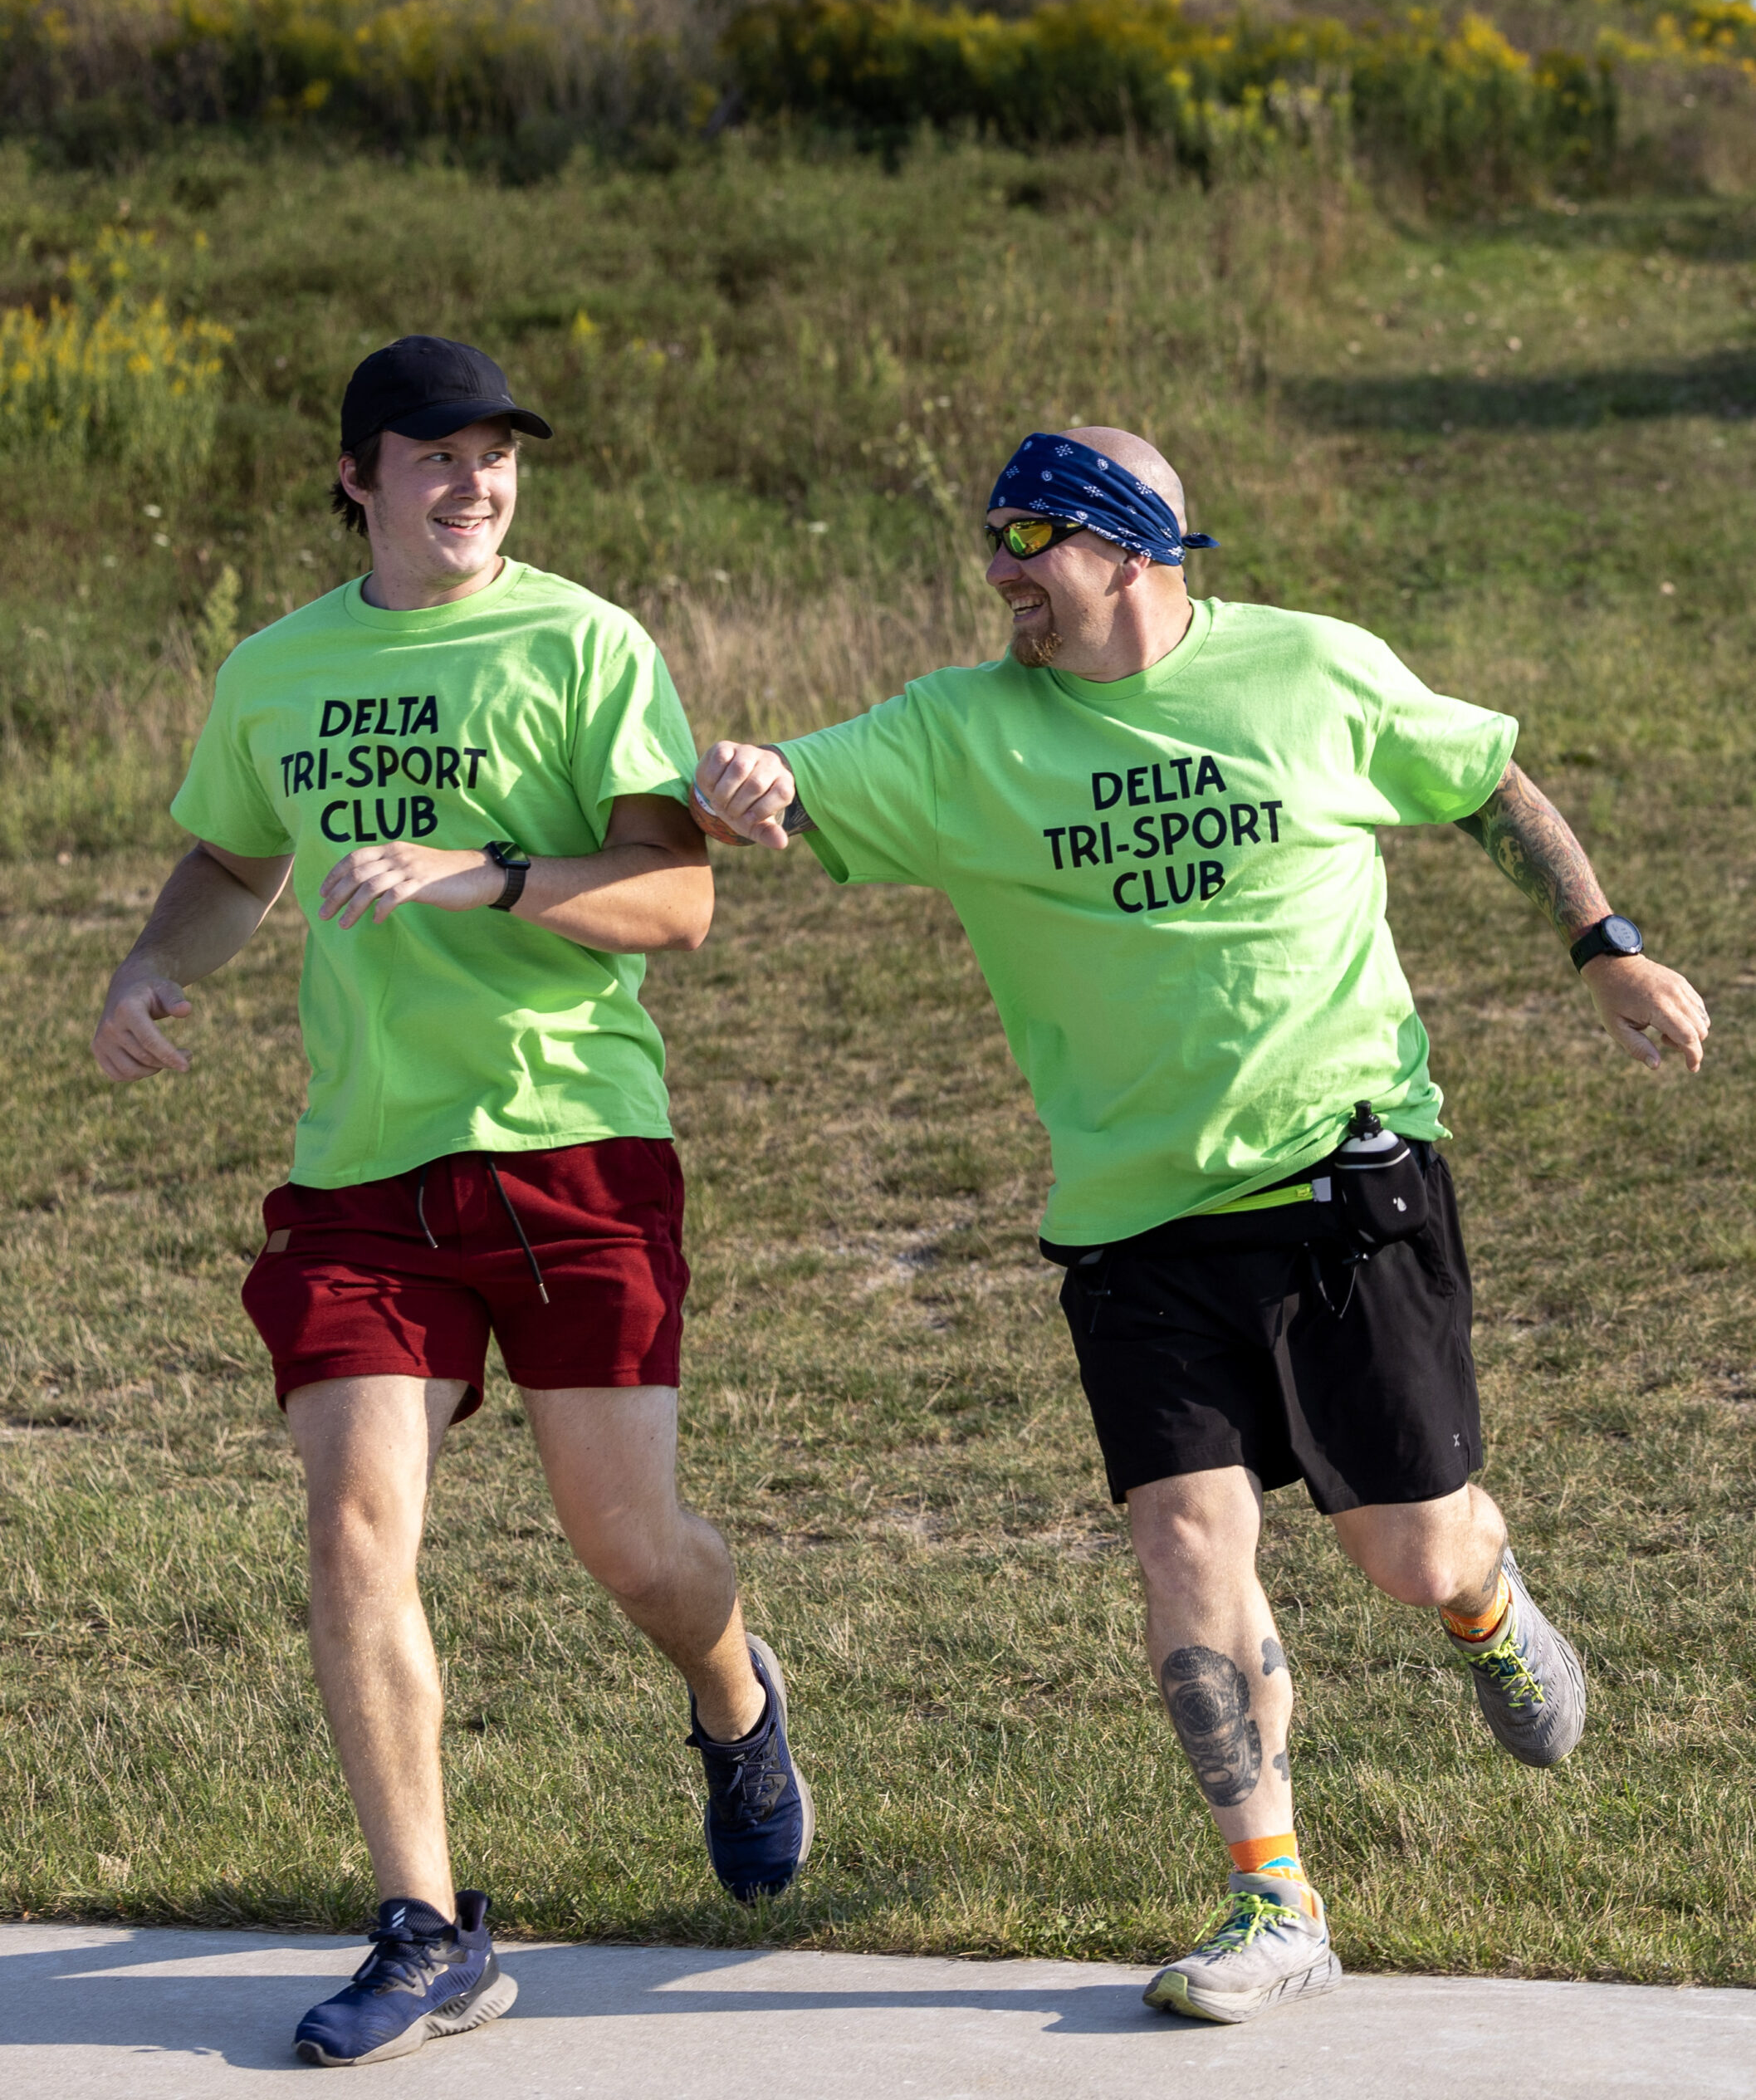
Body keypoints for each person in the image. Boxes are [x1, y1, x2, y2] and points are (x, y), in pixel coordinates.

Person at [691, 425, 1708, 2027]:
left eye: (1034, 543)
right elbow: (798, 786)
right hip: (1130, 1221)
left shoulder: (1311, 672)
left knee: (1410, 1543)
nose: (1004, 576)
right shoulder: (966, 731)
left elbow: (1484, 777)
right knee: (1184, 1543)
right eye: (995, 545)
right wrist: (752, 778)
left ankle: (1489, 1604)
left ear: (1131, 551)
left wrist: (1605, 944)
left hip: (1341, 1181)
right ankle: (1274, 1899)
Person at [91, 335, 811, 2069]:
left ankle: (734, 1690)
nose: (472, 484)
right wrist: (150, 962)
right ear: (355, 474)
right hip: (362, 1167)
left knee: (631, 1547)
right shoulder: (277, 667)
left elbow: (673, 897)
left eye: (495, 455)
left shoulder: (578, 641)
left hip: (574, 1145)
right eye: (435, 455)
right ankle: (426, 1925)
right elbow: (231, 854)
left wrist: (472, 875)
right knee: (351, 1524)